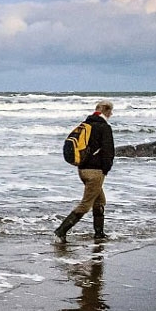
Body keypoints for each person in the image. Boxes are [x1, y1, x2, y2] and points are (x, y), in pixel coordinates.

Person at [55, 100, 115, 243]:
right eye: (111, 111)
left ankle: (99, 234)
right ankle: (61, 230)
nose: (112, 114)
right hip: (95, 172)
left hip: (82, 170)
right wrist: (106, 169)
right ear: (106, 111)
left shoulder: (85, 125)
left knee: (100, 201)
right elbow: (109, 151)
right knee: (86, 204)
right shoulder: (104, 127)